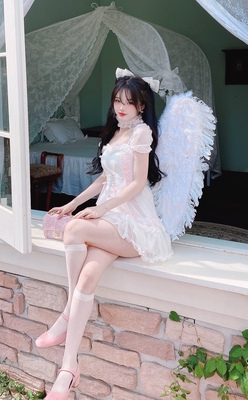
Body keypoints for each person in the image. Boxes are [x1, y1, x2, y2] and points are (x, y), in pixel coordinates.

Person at [36, 68, 173, 399]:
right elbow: (102, 179)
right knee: (86, 278)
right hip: (112, 223)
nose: (121, 107)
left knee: (75, 229)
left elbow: (137, 183)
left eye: (129, 102)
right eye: (117, 101)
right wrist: (72, 204)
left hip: (134, 224)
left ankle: (66, 314)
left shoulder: (141, 133)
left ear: (142, 106)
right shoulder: (115, 134)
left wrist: (100, 209)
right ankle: (68, 368)